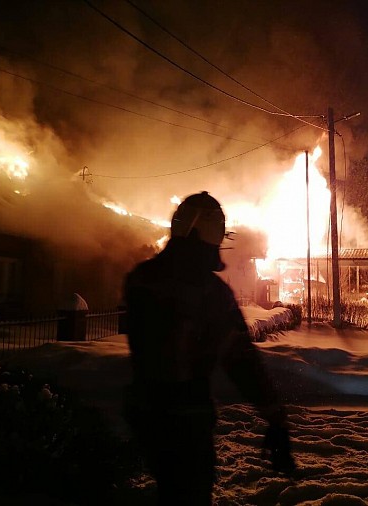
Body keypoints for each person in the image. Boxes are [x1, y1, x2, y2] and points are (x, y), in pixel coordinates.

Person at [123, 191, 295, 505]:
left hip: (146, 416)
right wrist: (274, 416)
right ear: (211, 233)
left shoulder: (140, 279)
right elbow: (241, 360)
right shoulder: (210, 293)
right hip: (188, 420)